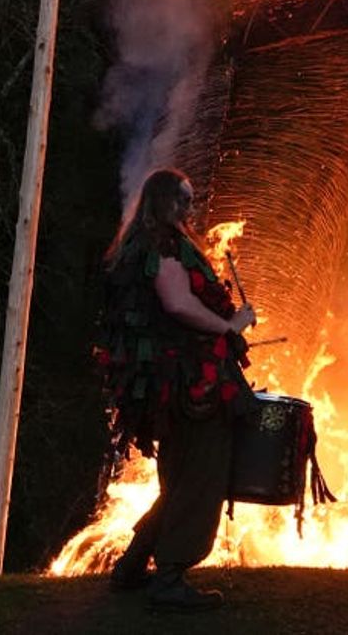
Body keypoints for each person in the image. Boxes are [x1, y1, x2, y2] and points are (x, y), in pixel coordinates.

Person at [96, 167, 257, 611]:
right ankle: (168, 578)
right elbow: (178, 303)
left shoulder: (136, 248)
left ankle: (131, 568)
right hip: (187, 387)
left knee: (180, 480)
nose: (190, 207)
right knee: (199, 478)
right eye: (182, 200)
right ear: (162, 201)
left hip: (164, 387)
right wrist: (230, 326)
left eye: (191, 199)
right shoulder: (163, 247)